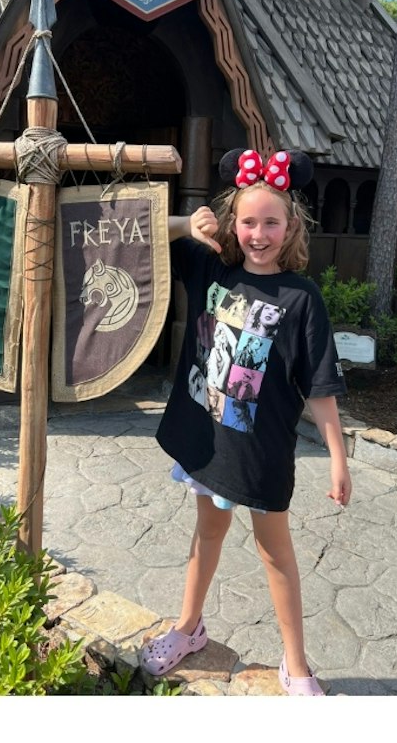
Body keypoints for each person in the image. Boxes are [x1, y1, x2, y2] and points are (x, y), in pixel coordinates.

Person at [137, 158, 350, 696]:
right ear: (234, 224)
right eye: (248, 222)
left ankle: (296, 664)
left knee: (274, 551)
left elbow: (320, 388)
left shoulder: (302, 299)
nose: (259, 234)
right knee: (207, 532)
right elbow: (139, 232)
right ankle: (188, 627)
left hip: (261, 451)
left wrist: (338, 458)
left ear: (291, 226)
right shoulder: (212, 270)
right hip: (209, 442)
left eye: (271, 223)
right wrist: (189, 224)